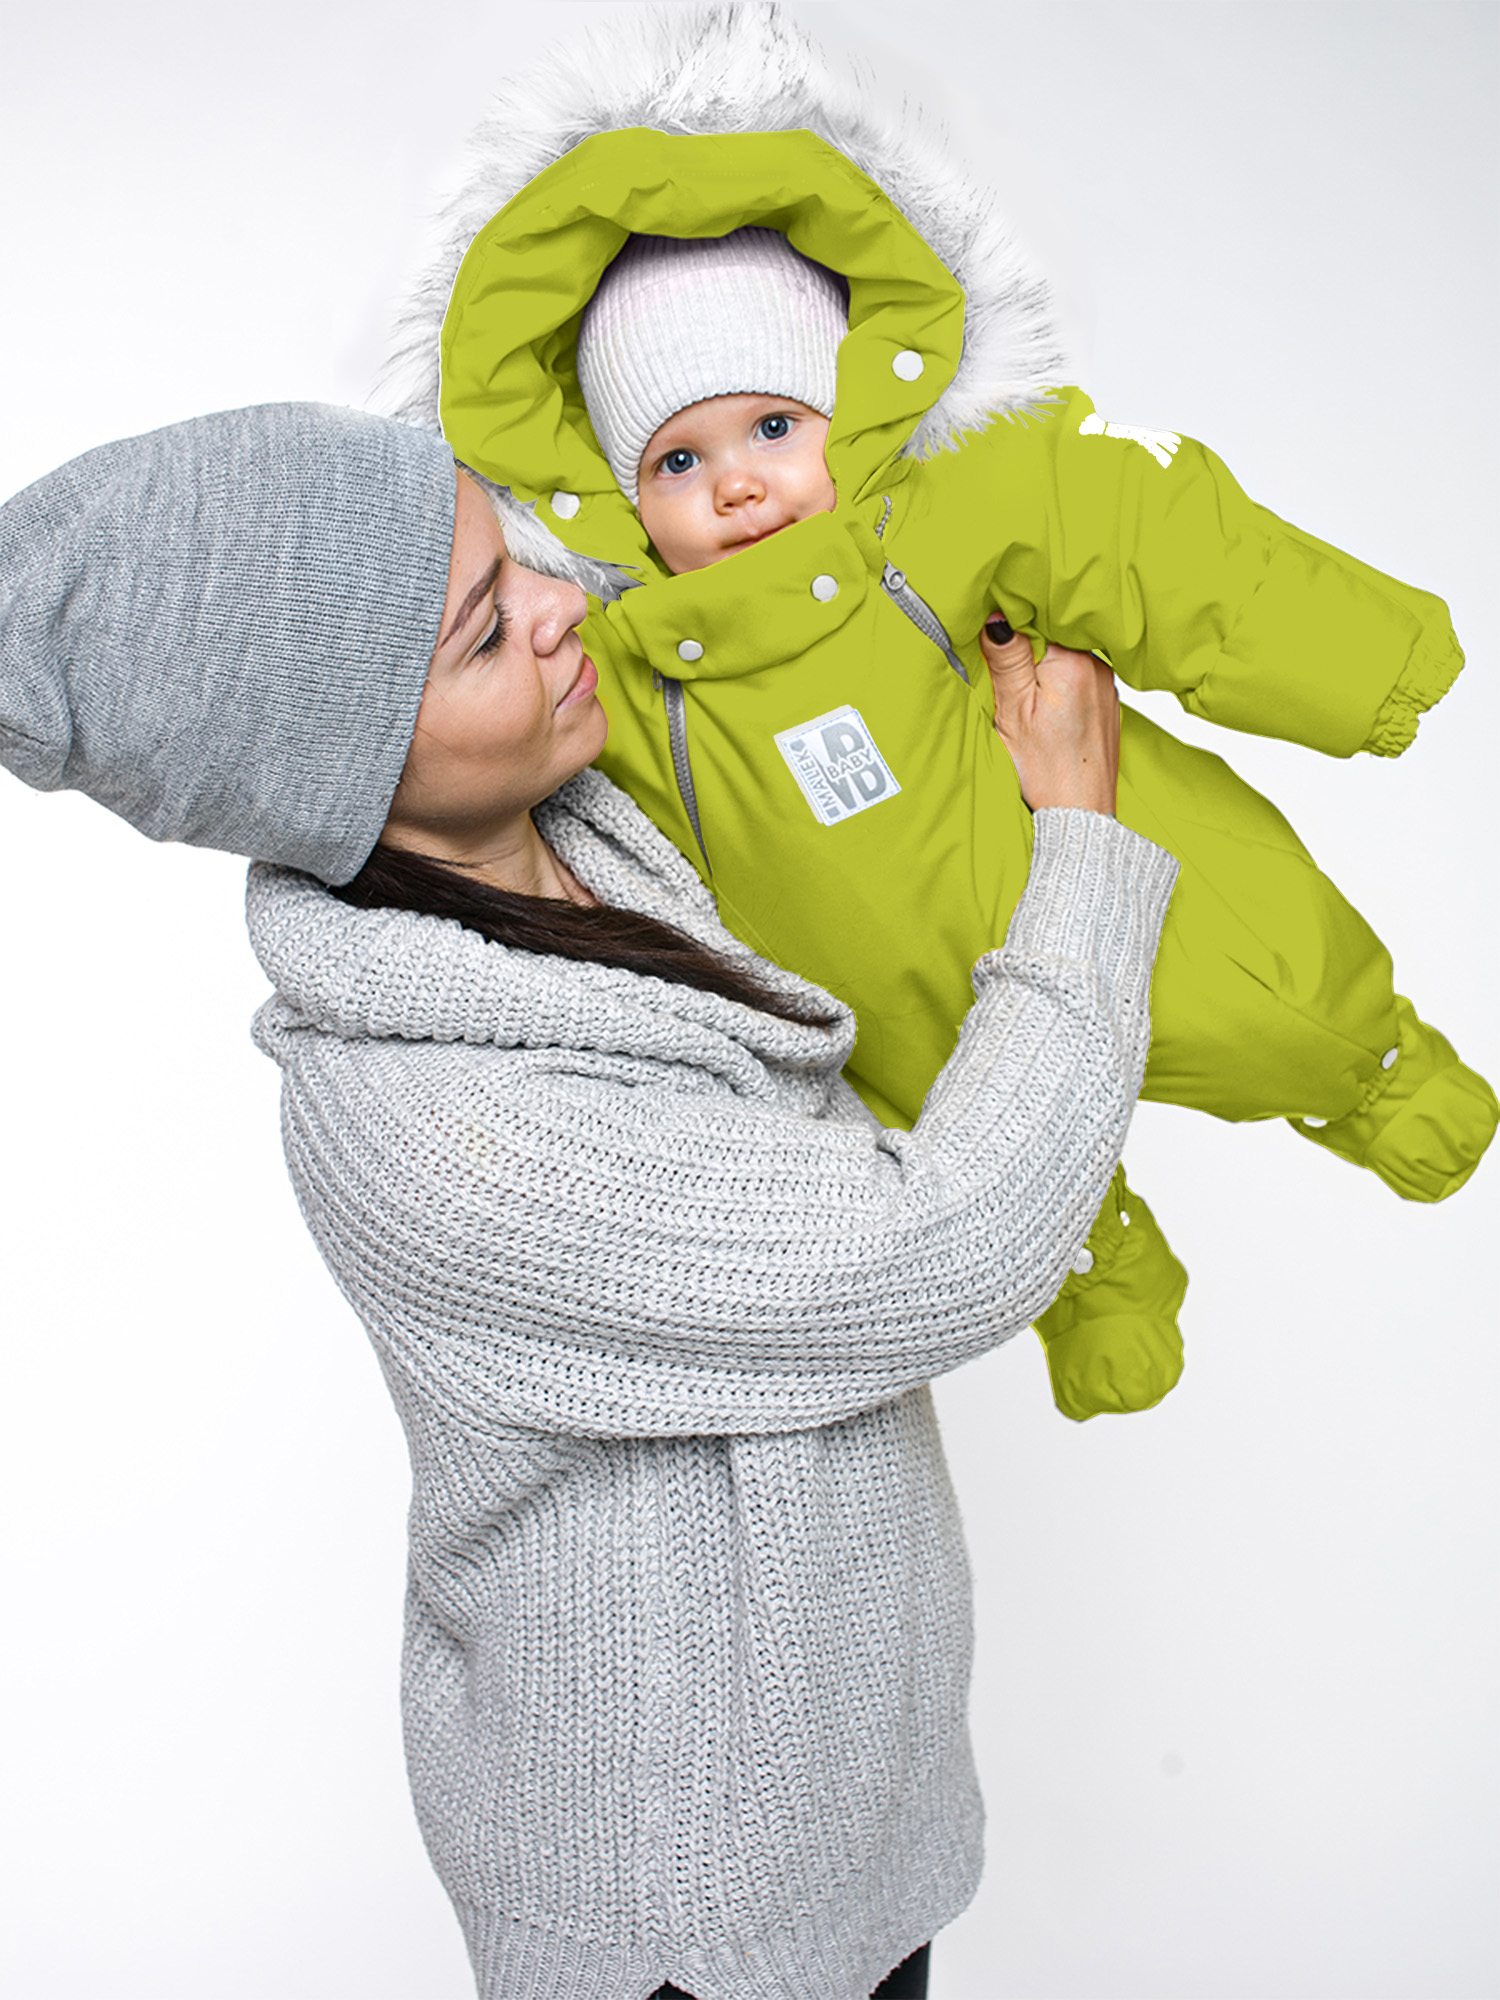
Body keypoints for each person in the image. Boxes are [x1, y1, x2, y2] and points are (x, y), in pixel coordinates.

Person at [0, 399, 1176, 2000]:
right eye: (488, 631)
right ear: (348, 775)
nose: (564, 605)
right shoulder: (447, 1134)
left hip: (837, 1821)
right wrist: (1082, 842)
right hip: (691, 1902)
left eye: (518, 554)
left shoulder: (574, 839)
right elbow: (947, 1243)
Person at [392, 1, 1497, 1425]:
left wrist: (1355, 657)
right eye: (679, 459)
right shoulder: (616, 662)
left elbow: (1131, 530)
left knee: (1261, 990)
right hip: (895, 1006)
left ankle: (1374, 1069)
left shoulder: (933, 519)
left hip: (1073, 852)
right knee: (962, 1142)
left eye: (773, 427)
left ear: (843, 417)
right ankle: (1091, 1268)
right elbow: (531, 798)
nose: (738, 483)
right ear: (613, 496)